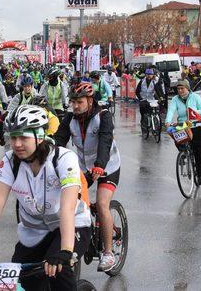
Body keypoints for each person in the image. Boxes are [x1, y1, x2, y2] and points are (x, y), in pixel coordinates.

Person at [0, 105, 91, 290]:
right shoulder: (10, 161)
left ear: (40, 136)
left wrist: (65, 251)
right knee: (21, 280)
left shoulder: (63, 158)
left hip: (71, 225)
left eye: (23, 137)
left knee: (59, 272)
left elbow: (67, 208)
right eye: (13, 137)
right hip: (34, 231)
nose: (17, 144)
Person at [54, 82, 120, 272]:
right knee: (70, 201)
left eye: (79, 102)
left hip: (108, 165)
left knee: (101, 204)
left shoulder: (103, 116)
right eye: (73, 102)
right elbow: (60, 140)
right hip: (84, 168)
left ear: (90, 101)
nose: (75, 106)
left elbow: (105, 141)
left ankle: (108, 253)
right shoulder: (70, 119)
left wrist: (100, 165)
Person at [165, 79, 201, 185]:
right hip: (183, 125)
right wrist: (167, 121)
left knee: (198, 152)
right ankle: (184, 154)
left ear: (187, 88)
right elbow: (171, 110)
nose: (180, 91)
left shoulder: (195, 97)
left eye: (182, 88)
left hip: (196, 125)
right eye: (178, 89)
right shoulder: (175, 99)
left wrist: (193, 113)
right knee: (176, 137)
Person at [135, 69, 164, 133]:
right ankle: (144, 126)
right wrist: (140, 99)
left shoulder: (154, 82)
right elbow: (137, 91)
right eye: (147, 74)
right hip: (143, 99)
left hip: (151, 100)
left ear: (152, 75)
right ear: (145, 75)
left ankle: (154, 122)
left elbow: (157, 91)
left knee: (154, 111)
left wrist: (161, 97)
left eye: (150, 74)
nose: (149, 76)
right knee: (143, 114)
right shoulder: (142, 81)